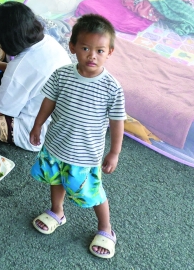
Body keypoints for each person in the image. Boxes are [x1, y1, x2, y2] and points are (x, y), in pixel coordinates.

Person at [29, 14, 125, 260]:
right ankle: (56, 212)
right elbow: (48, 102)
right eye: (85, 48)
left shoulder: (111, 88)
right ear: (72, 47)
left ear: (109, 52)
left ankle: (105, 229)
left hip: (85, 155)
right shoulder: (62, 75)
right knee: (55, 179)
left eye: (99, 50)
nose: (92, 55)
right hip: (55, 145)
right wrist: (37, 125)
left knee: (93, 192)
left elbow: (117, 122)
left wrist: (114, 152)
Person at [0, 1, 71, 148]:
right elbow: (29, 75)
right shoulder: (48, 42)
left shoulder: (20, 66)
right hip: (58, 127)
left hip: (33, 132)